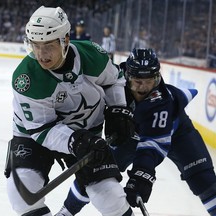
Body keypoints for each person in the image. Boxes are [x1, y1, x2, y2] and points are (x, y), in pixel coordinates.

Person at [4, 6, 135, 216]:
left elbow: (115, 80)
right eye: (35, 45)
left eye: (47, 45)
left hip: (86, 133)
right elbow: (42, 131)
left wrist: (118, 108)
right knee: (21, 193)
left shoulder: (92, 55)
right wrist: (75, 141)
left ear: (65, 40)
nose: (41, 54)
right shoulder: (26, 79)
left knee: (110, 197)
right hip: (34, 135)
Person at [55, 48, 216, 216]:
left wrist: (141, 177)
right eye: (138, 81)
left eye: (149, 81)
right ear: (127, 76)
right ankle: (66, 212)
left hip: (178, 135)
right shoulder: (114, 82)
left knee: (203, 180)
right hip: (131, 135)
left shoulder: (161, 101)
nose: (144, 88)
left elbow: (152, 146)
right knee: (97, 170)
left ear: (157, 78)